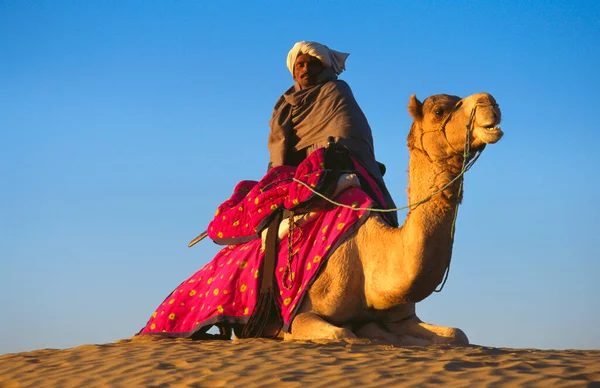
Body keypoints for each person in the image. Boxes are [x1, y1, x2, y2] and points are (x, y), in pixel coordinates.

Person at [267, 41, 397, 225]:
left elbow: (346, 131)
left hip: (332, 164)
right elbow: (279, 145)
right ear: (294, 72)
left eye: (312, 64)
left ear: (322, 67)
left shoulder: (335, 90)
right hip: (296, 173)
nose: (306, 69)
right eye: (301, 64)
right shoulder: (284, 105)